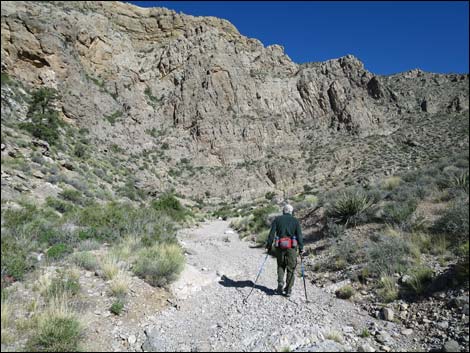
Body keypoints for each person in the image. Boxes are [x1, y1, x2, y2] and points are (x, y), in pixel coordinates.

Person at [265, 204, 304, 297]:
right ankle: (288, 289)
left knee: (281, 265)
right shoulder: (295, 221)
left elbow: (272, 234)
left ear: (283, 211)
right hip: (292, 248)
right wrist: (301, 248)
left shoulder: (277, 220)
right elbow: (299, 235)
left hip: (280, 247)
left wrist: (269, 245)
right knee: (291, 268)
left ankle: (280, 283)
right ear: (291, 211)